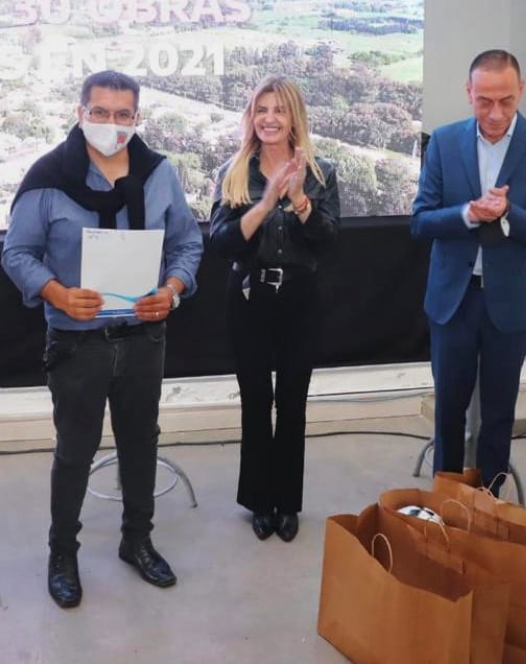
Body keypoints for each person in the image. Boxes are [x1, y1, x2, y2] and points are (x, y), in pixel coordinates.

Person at [1, 70, 203, 609]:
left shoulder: (159, 173)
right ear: (80, 112)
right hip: (76, 343)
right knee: (75, 452)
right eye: (100, 112)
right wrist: (58, 294)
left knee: (141, 442)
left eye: (122, 115)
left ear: (136, 118)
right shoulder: (47, 177)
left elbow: (187, 242)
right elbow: (16, 253)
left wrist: (173, 289)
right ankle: (61, 552)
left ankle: (137, 540)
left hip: (144, 337)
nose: (111, 125)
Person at [411, 50, 526, 492]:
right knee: (449, 411)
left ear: (520, 91)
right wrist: (468, 213)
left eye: (505, 101)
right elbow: (421, 220)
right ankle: (446, 505)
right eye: (484, 101)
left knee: (499, 412)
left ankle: (488, 508)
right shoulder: (443, 141)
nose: (495, 113)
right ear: (468, 93)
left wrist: (507, 213)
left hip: (513, 304)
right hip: (453, 300)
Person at [209, 76, 340, 543]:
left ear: (294, 118)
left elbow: (328, 239)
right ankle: (259, 502)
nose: (269, 118)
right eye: (260, 109)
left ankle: (288, 502)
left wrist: (300, 200)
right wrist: (265, 204)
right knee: (256, 401)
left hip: (301, 299)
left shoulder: (322, 171)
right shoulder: (234, 171)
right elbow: (221, 243)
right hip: (249, 297)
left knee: (292, 402)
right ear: (251, 116)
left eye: (278, 110)